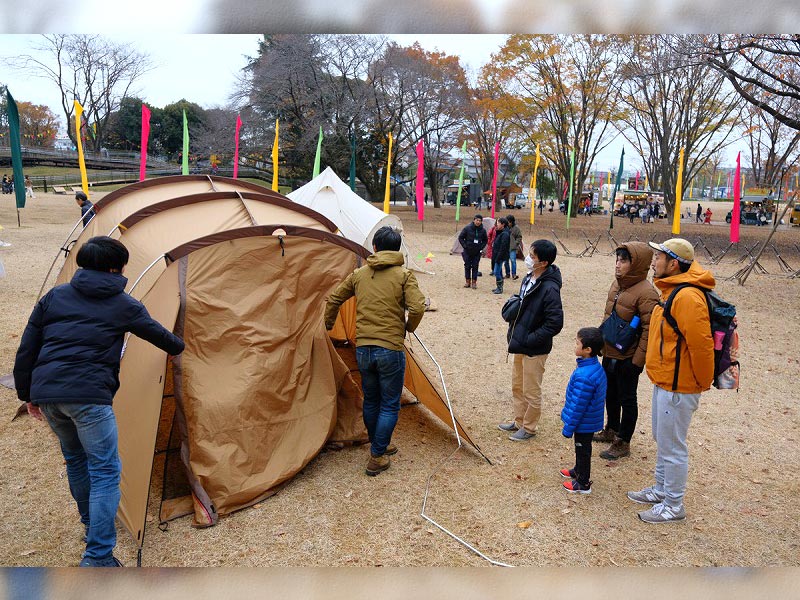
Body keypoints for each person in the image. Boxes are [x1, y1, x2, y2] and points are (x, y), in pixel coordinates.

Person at [13, 236, 185, 567]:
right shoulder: (123, 304)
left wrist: (28, 394)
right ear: (113, 268)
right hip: (90, 398)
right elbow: (164, 339)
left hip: (50, 396)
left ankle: (91, 528)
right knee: (105, 471)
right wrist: (183, 343)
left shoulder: (55, 296)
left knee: (77, 461)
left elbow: (27, 348)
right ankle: (98, 557)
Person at [324, 226, 426, 476]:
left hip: (364, 349)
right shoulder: (404, 275)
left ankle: (380, 444)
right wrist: (407, 328)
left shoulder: (359, 274)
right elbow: (417, 307)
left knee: (371, 399)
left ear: (376, 248)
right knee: (390, 404)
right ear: (398, 249)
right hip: (390, 349)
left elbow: (334, 298)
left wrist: (328, 324)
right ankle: (377, 455)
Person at [627, 238, 715, 523]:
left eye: (659, 257)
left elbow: (701, 345)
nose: (654, 261)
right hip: (665, 381)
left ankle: (674, 505)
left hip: (680, 386)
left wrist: (698, 382)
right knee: (662, 440)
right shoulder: (673, 291)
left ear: (674, 263)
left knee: (673, 446)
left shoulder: (687, 297)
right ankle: (661, 490)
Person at [594, 243, 659, 460]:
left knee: (627, 398)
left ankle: (623, 441)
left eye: (624, 261)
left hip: (629, 357)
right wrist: (600, 343)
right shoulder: (617, 285)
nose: (618, 265)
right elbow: (607, 317)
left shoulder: (647, 292)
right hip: (611, 351)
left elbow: (650, 330)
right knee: (609, 394)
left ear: (637, 264)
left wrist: (637, 361)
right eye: (617, 260)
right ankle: (611, 428)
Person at [498, 239, 564, 441]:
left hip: (535, 348)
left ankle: (529, 427)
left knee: (531, 390)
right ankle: (519, 421)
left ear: (543, 262)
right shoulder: (529, 278)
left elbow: (555, 323)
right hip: (520, 343)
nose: (528, 259)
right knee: (518, 385)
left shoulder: (550, 289)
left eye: (533, 257)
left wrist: (531, 338)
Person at [560, 327, 607, 494]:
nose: (575, 345)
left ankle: (583, 482)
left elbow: (578, 405)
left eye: (577, 343)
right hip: (587, 420)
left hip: (583, 423)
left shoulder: (585, 376)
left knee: (583, 449)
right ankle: (578, 469)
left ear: (587, 350)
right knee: (581, 448)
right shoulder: (592, 367)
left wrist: (568, 428)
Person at [457, 214, 487, 289]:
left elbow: (485, 240)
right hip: (467, 251)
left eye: (480, 221)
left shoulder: (483, 230)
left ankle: (474, 282)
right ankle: (467, 281)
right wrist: (465, 246)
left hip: (477, 252)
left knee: (475, 266)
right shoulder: (467, 228)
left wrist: (481, 247)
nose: (478, 222)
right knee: (467, 266)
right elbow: (460, 237)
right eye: (477, 220)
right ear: (474, 220)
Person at [491, 217, 510, 294]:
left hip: (500, 256)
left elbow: (503, 247)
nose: (497, 224)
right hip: (497, 254)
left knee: (496, 271)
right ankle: (499, 286)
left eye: (498, 223)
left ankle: (500, 287)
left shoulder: (505, 234)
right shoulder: (500, 232)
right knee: (498, 271)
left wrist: (498, 257)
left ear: (503, 224)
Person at [505, 214, 522, 281]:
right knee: (506, 261)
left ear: (512, 222)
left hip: (512, 247)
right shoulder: (505, 228)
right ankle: (507, 273)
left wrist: (515, 243)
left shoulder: (516, 228)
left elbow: (519, 237)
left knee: (513, 261)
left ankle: (514, 274)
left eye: (509, 222)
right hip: (505, 247)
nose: (508, 223)